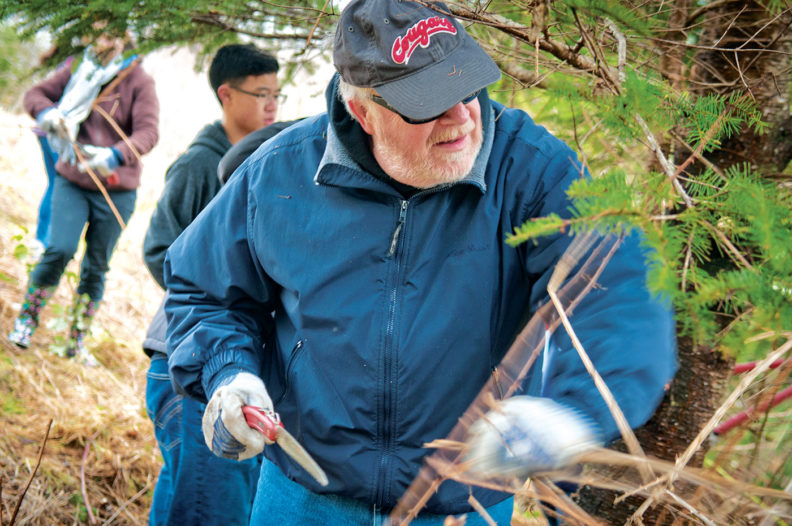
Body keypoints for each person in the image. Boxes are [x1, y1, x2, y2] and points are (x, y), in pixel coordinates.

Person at [163, 1, 677, 524]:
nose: (462, 116)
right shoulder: (277, 174)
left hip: (461, 505)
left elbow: (621, 287)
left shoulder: (531, 171)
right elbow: (205, 290)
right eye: (428, 103)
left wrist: (573, 410)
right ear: (364, 112)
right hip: (304, 497)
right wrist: (229, 372)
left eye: (466, 86)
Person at [141, 43, 281, 526]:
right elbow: (161, 248)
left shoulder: (266, 159)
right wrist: (214, 290)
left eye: (276, 95)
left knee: (185, 494)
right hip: (193, 361)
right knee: (208, 508)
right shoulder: (201, 165)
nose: (271, 105)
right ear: (226, 95)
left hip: (222, 361)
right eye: (260, 94)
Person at [8, 25, 159, 366]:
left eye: (110, 34)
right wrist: (49, 114)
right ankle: (26, 322)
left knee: (96, 267)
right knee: (59, 248)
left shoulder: (139, 80)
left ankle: (76, 340)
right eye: (97, 34)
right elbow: (35, 95)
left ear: (124, 37)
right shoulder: (79, 67)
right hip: (72, 180)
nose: (103, 40)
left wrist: (115, 155)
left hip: (116, 190)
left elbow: (148, 132)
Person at [28, 49, 75, 259]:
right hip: (54, 133)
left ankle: (42, 240)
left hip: (46, 131)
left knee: (54, 183)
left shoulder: (69, 60)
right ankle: (43, 241)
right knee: (58, 184)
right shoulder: (77, 64)